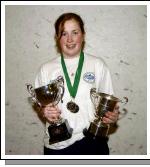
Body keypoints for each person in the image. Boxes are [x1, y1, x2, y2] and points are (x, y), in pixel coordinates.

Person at [35, 12, 119, 155]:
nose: (70, 39)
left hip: (93, 141)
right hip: (58, 144)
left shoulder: (97, 65)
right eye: (64, 34)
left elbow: (109, 104)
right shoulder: (46, 69)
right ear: (57, 38)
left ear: (83, 35)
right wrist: (44, 111)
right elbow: (40, 105)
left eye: (75, 32)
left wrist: (112, 115)